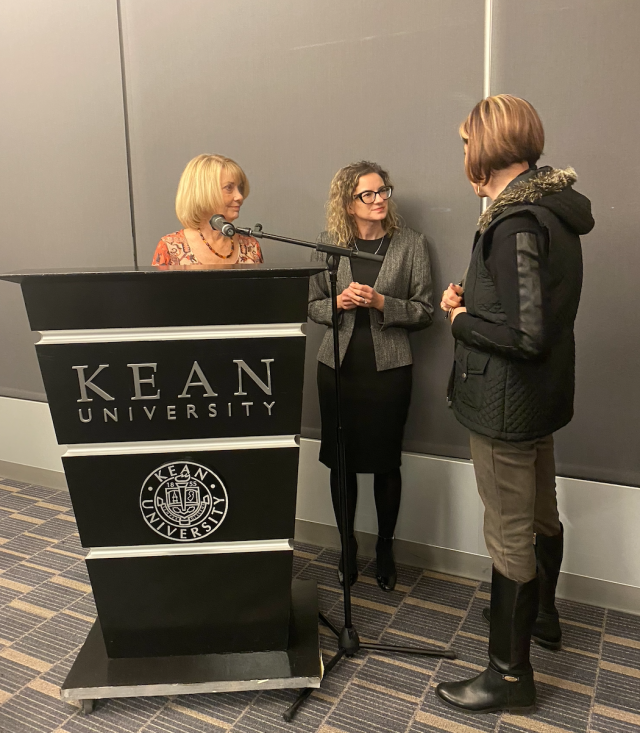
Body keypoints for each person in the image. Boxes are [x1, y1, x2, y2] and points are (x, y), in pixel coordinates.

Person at [436, 95, 594, 714]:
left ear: (486, 145)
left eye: (465, 140)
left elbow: (525, 336)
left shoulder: (515, 220)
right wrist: (474, 303)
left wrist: (457, 318)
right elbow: (529, 312)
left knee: (509, 532)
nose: (463, 152)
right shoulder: (552, 211)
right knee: (540, 513)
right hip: (540, 401)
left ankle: (507, 674)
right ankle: (544, 618)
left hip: (506, 405)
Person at [308, 161, 433, 592]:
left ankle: (384, 547)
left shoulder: (412, 244)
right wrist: (339, 303)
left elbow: (424, 311)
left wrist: (382, 302)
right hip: (338, 369)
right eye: (368, 194)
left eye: (384, 191)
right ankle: (347, 547)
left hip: (389, 374)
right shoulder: (328, 245)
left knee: (385, 463)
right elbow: (311, 306)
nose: (379, 199)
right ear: (348, 202)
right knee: (341, 462)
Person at [152, 154, 263, 266]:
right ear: (204, 192)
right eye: (229, 188)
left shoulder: (250, 246)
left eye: (239, 188)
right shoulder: (170, 248)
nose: (239, 196)